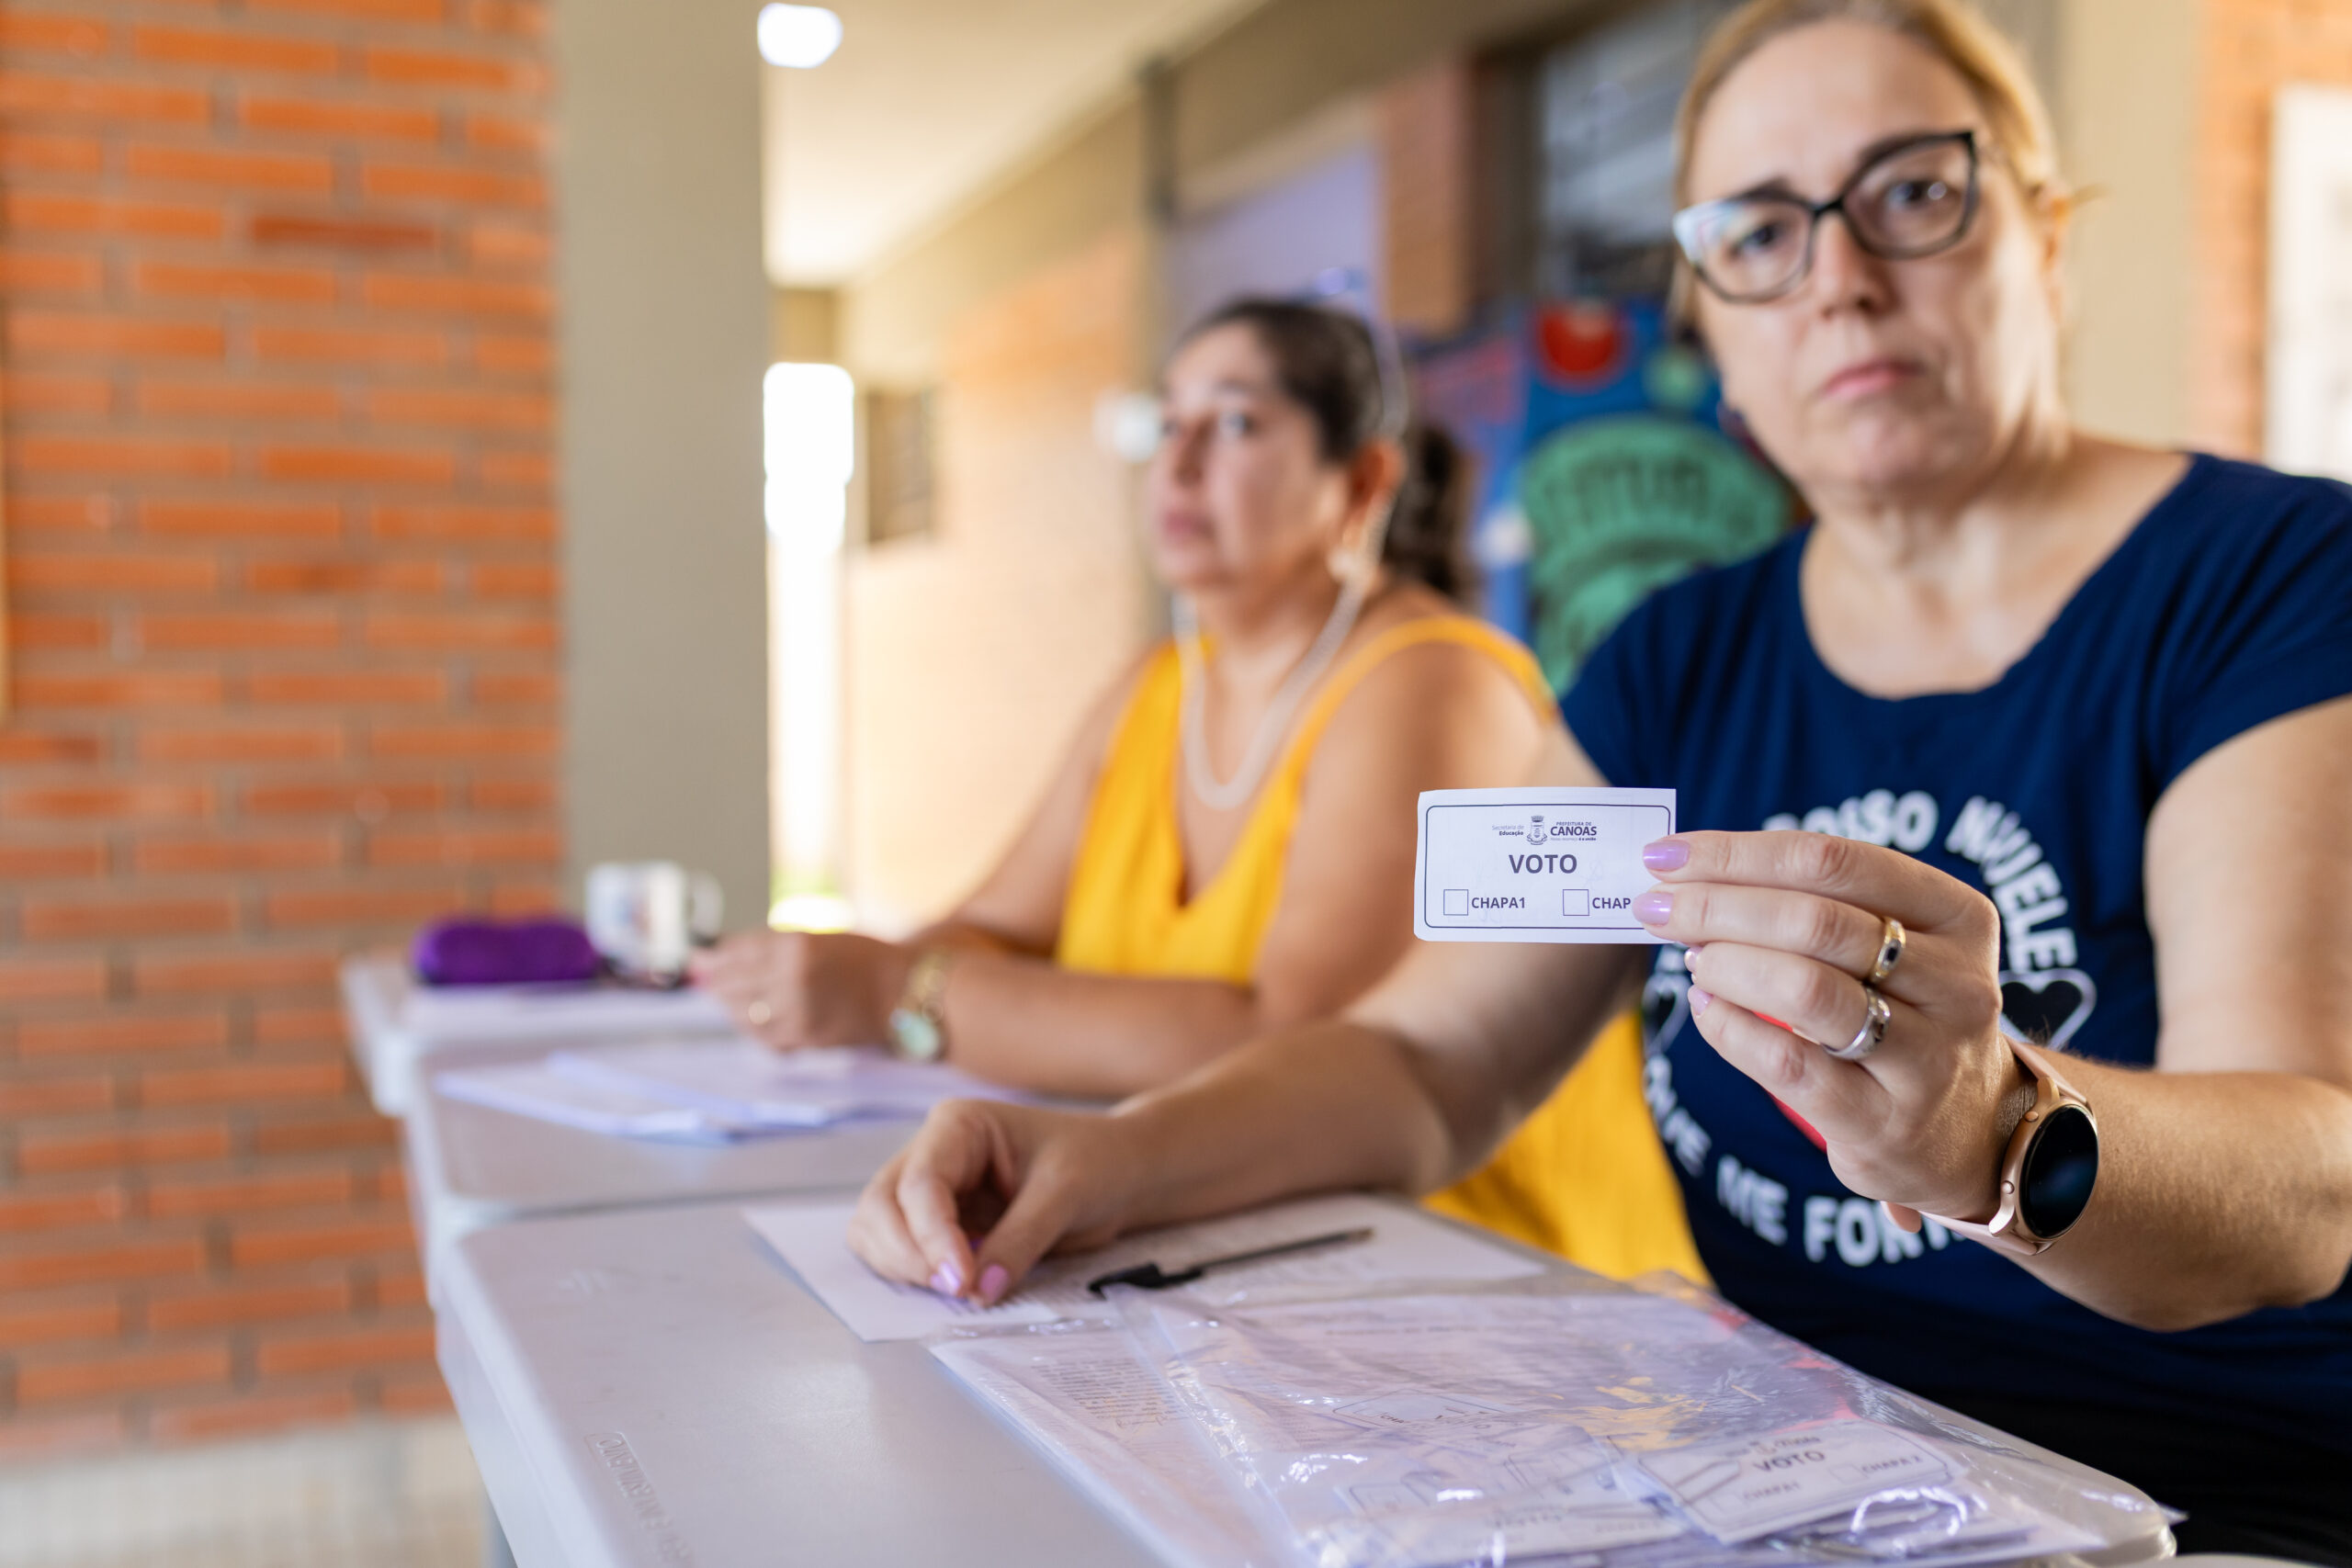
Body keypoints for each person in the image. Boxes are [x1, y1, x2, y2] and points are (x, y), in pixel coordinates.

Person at [842, 1, 2352, 1559]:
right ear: (1712, 317)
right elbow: (1431, 1060)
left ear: (2044, 238)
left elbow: (2312, 1177)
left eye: (1913, 192)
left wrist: (1995, 1125)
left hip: (2212, 1501)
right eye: (1761, 230)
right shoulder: (1670, 661)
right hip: (1809, 1492)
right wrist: (1109, 1155)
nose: (1837, 278)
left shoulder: (2274, 578)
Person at [695, 299, 1704, 1280]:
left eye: (1233, 423)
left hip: (1477, 1271)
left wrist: (899, 996)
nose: (1177, 464)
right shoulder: (1153, 689)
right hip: (1210, 1241)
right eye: (1164, 423)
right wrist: (847, 980)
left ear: (1361, 480)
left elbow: (1289, 1039)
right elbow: (993, 928)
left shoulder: (1427, 681)